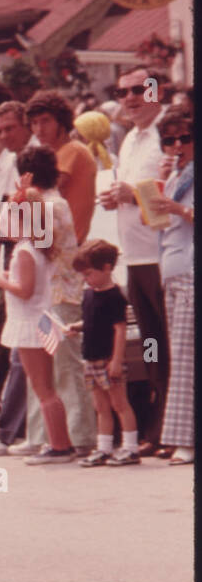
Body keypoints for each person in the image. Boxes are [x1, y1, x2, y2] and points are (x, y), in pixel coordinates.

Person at [98, 66, 168, 454]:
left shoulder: (167, 135)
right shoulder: (128, 141)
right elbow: (131, 191)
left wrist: (131, 193)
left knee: (171, 342)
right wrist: (116, 195)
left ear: (158, 90)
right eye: (121, 91)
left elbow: (172, 192)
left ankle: (172, 427)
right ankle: (158, 425)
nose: (129, 98)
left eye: (139, 89)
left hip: (163, 256)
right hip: (137, 258)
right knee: (153, 344)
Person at [0, 154, 74, 464]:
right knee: (47, 387)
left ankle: (59, 446)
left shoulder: (26, 251)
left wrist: (2, 281)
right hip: (42, 319)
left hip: (32, 322)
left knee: (43, 388)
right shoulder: (36, 246)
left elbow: (24, 290)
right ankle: (60, 442)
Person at [146, 105, 194, 464]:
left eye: (184, 138)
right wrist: (158, 190)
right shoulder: (178, 174)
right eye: (169, 140)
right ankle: (178, 436)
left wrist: (177, 209)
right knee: (173, 353)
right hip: (171, 267)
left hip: (191, 268)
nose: (177, 146)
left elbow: (181, 216)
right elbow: (158, 224)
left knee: (185, 357)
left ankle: (185, 440)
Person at [64, 240, 139, 466]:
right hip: (91, 358)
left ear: (107, 268)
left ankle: (130, 447)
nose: (86, 279)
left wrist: (116, 360)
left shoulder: (115, 296)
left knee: (120, 404)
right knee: (101, 406)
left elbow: (119, 329)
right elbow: (92, 321)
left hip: (108, 359)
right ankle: (104, 447)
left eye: (89, 273)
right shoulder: (89, 295)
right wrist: (77, 327)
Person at [26, 90, 98, 243]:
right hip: (58, 244)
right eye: (34, 123)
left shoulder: (72, 150)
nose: (39, 129)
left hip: (66, 247)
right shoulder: (56, 154)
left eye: (46, 120)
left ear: (62, 121)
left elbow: (42, 192)